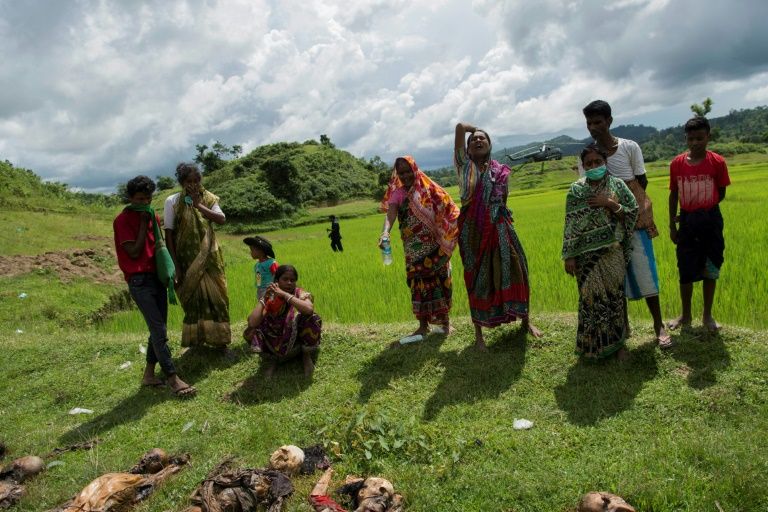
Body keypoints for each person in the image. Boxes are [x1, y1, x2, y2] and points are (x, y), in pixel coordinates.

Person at [582, 100, 671, 348]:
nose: (593, 127)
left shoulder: (629, 147)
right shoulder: (589, 154)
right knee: (615, 277)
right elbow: (587, 189)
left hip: (634, 219)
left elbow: (641, 181)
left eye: (598, 122)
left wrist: (628, 209)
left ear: (609, 121)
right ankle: (623, 326)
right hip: (605, 225)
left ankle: (658, 325)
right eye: (589, 123)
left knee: (645, 270)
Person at [454, 123, 542, 349]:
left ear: (490, 144)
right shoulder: (464, 166)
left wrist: (497, 221)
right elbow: (459, 127)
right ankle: (479, 335)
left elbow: (504, 200)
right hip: (473, 230)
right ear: (467, 149)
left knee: (517, 267)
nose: (478, 141)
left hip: (500, 227)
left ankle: (526, 322)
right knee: (476, 277)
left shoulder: (500, 170)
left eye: (483, 138)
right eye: (473, 140)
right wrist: (475, 128)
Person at [113, 175, 196, 397]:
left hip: (157, 277)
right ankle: (172, 377)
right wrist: (143, 225)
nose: (144, 204)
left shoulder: (153, 216)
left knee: (157, 329)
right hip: (139, 280)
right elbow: (133, 251)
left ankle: (149, 375)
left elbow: (159, 248)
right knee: (158, 329)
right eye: (139, 199)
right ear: (130, 198)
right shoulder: (122, 221)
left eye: (147, 199)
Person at [562, 145, 639, 359]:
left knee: (615, 298)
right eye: (589, 164)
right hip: (586, 257)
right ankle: (593, 346)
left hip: (612, 253)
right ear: (583, 166)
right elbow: (570, 225)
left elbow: (632, 214)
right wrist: (569, 255)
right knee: (590, 300)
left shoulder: (617, 185)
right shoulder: (576, 190)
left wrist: (611, 204)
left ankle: (619, 345)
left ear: (605, 162)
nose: (594, 166)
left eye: (598, 162)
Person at [379, 155, 460, 339]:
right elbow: (390, 214)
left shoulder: (429, 189)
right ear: (397, 175)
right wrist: (385, 232)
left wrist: (450, 227)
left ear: (414, 169)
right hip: (413, 250)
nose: (405, 176)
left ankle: (445, 323)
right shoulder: (397, 194)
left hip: (435, 247)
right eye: (401, 173)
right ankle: (423, 326)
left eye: (408, 171)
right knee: (418, 285)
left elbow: (449, 207)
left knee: (440, 281)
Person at [668, 116, 731, 332]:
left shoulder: (718, 162)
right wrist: (672, 224)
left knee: (711, 266)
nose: (695, 143)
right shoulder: (676, 164)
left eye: (699, 138)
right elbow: (674, 195)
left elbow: (720, 193)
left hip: (711, 221)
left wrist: (703, 211)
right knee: (685, 267)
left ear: (708, 137)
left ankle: (707, 316)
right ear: (686, 138)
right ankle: (686, 315)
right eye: (691, 138)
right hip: (686, 221)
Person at [164, 163, 231, 349]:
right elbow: (168, 234)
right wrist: (175, 266)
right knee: (193, 302)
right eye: (188, 181)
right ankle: (197, 344)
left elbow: (221, 219)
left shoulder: (208, 198)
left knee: (218, 299)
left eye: (196, 180)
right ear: (182, 183)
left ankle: (221, 343)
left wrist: (198, 205)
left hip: (210, 259)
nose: (193, 184)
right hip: (186, 261)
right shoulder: (172, 201)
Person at [244, 265, 322, 377]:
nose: (289, 283)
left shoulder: (300, 293)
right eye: (285, 279)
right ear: (277, 281)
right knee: (250, 331)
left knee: (312, 318)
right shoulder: (271, 297)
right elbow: (252, 322)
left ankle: (306, 355)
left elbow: (309, 309)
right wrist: (264, 299)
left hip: (296, 338)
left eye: (292, 280)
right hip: (276, 337)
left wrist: (285, 295)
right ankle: (273, 358)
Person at [244, 235, 278, 301]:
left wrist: (274, 289)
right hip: (260, 290)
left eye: (252, 250)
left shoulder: (271, 263)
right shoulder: (257, 265)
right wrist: (258, 288)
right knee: (262, 307)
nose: (250, 252)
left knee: (270, 306)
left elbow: (277, 276)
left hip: (270, 290)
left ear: (261, 251)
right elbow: (258, 279)